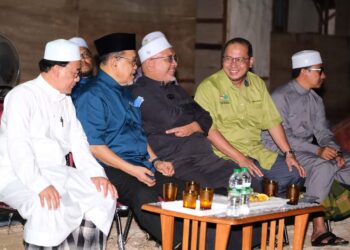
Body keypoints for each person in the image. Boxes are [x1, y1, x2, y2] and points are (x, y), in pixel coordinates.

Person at [131, 31, 262, 250]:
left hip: (206, 158)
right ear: (150, 63)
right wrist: (195, 118)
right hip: (178, 163)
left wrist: (194, 123)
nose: (175, 63)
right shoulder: (139, 93)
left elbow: (206, 117)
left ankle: (244, 242)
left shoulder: (173, 86)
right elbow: (172, 117)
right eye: (169, 58)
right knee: (212, 194)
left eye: (175, 58)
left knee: (251, 179)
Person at [0, 39, 117, 249]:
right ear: (56, 69)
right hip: (18, 174)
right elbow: (19, 147)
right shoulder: (22, 96)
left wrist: (96, 174)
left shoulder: (65, 101)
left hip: (57, 172)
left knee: (103, 196)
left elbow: (78, 141)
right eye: (75, 73)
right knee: (49, 206)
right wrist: (39, 184)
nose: (78, 79)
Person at [74, 33, 184, 248]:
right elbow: (95, 147)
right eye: (133, 61)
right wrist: (133, 170)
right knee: (144, 195)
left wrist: (156, 161)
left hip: (139, 165)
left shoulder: (126, 92)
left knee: (187, 189)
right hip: (109, 167)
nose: (136, 67)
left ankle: (201, 240)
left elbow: (138, 135)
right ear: (115, 62)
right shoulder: (91, 95)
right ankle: (180, 244)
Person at [195, 37, 306, 196]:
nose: (233, 65)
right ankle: (259, 211)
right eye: (228, 59)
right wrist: (240, 158)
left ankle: (269, 213)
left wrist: (289, 153)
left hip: (256, 152)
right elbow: (210, 132)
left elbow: (272, 122)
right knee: (253, 183)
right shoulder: (208, 87)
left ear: (251, 62)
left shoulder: (257, 84)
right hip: (223, 156)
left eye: (240, 59)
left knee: (294, 174)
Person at [262, 50, 350, 246]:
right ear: (304, 71)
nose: (324, 76)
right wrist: (318, 151)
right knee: (323, 166)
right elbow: (282, 136)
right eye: (320, 71)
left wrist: (332, 150)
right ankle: (319, 229)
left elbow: (323, 132)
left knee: (342, 162)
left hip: (308, 149)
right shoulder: (280, 96)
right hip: (282, 151)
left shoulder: (315, 99)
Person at [69, 37, 94, 102]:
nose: (82, 59)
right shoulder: (67, 88)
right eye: (78, 56)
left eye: (85, 54)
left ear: (91, 57)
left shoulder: (102, 83)